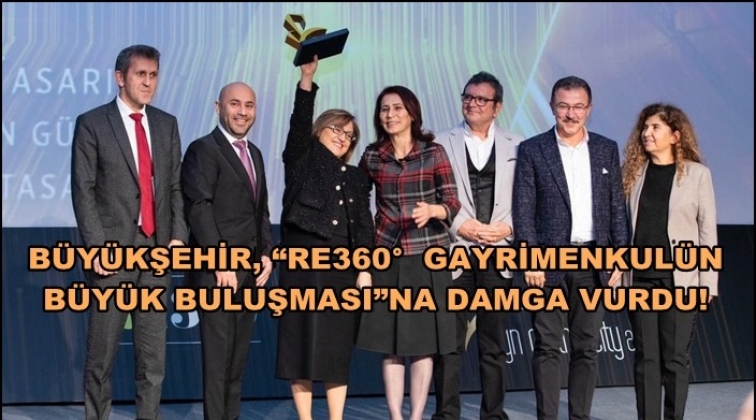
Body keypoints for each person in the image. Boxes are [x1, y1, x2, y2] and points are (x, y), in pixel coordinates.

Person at [71, 44, 188, 420]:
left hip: (156, 252)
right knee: (101, 358)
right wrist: (96, 247)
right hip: (112, 254)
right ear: (120, 78)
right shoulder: (93, 123)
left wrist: (177, 237)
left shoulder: (167, 124)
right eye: (141, 74)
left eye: (153, 75)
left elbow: (175, 187)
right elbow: (83, 190)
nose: (148, 82)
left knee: (153, 361)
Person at [512, 75, 628, 420]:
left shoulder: (606, 148)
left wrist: (621, 255)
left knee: (586, 349)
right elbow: (523, 209)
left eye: (578, 106)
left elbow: (616, 207)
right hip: (547, 262)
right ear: (552, 107)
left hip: (595, 261)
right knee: (547, 347)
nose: (571, 113)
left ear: (589, 109)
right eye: (563, 105)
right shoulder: (533, 149)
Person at [275, 57, 375, 420]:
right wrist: (306, 80)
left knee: (336, 348)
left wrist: (365, 269)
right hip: (303, 263)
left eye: (349, 135)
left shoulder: (357, 177)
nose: (342, 136)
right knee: (300, 344)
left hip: (343, 268)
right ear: (320, 130)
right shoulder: (301, 157)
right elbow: (299, 122)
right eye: (336, 128)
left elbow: (363, 226)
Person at [357, 85, 461, 420]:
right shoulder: (373, 156)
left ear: (412, 113)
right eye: (384, 109)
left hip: (428, 256)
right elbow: (356, 205)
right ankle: (396, 416)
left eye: (398, 108)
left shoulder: (434, 152)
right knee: (390, 346)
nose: (390, 115)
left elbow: (452, 202)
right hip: (386, 255)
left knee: (422, 345)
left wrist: (433, 210)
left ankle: (416, 415)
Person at [181, 81, 274, 420]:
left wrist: (267, 253)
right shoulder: (203, 150)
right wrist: (220, 261)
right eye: (235, 104)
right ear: (218, 107)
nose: (242, 112)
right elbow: (198, 208)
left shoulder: (255, 153)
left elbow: (261, 212)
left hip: (249, 274)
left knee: (236, 364)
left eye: (249, 105)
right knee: (218, 365)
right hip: (217, 274)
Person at [433, 71, 523, 420]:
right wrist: (462, 226)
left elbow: (527, 198)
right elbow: (435, 194)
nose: (472, 104)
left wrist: (507, 228)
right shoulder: (441, 142)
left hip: (499, 254)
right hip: (456, 251)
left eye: (481, 99)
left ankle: (493, 414)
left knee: (493, 344)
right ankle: (447, 414)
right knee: (449, 343)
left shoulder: (519, 145)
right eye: (467, 97)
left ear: (497, 107)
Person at [620, 103, 718, 420]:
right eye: (645, 127)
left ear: (676, 135)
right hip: (640, 279)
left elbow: (707, 231)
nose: (646, 133)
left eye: (655, 127)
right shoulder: (633, 173)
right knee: (646, 358)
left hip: (681, 281)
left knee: (675, 359)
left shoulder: (698, 175)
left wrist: (708, 283)